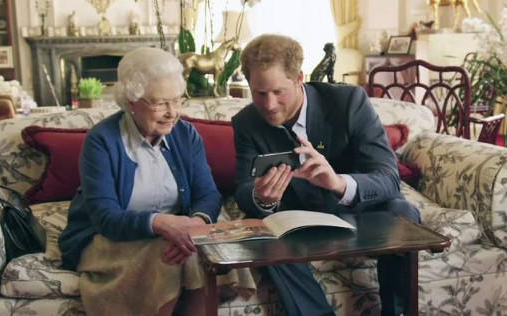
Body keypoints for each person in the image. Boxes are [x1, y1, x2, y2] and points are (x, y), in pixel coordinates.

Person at [232, 34, 421, 316]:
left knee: (403, 210)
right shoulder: (247, 122)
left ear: (299, 78)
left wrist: (338, 183)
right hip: (297, 221)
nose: (269, 105)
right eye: (260, 94)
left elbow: (388, 177)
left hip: (359, 212)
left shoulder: (348, 102)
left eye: (278, 92)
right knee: (260, 230)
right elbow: (243, 188)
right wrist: (261, 196)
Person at [58, 47, 220, 316]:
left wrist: (196, 225)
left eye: (177, 100)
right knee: (167, 257)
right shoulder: (102, 141)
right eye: (160, 103)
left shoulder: (185, 134)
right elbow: (105, 218)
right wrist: (160, 223)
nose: (172, 113)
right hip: (108, 238)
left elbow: (209, 194)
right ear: (131, 102)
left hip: (176, 236)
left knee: (192, 252)